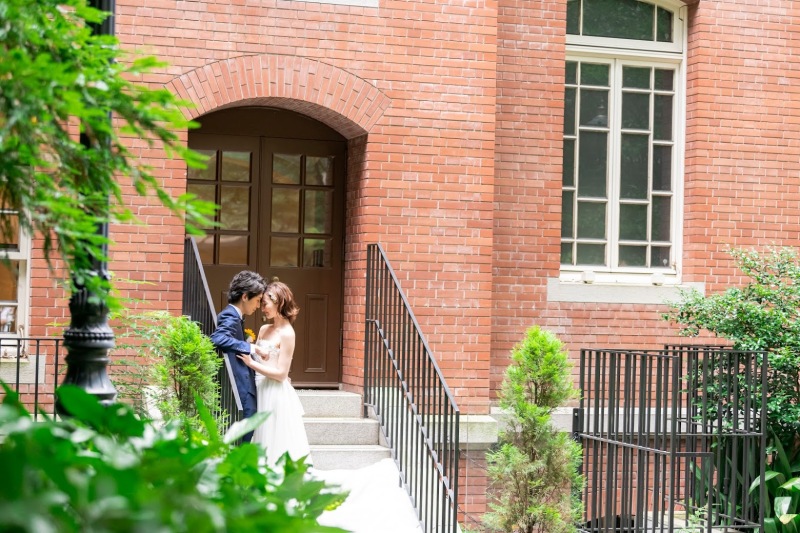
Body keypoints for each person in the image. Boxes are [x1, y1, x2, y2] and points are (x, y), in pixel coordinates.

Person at [237, 281, 311, 466]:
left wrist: (252, 363)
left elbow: (281, 374)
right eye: (261, 304)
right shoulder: (263, 329)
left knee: (275, 438)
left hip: (274, 392)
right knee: (260, 434)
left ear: (278, 302)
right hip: (258, 388)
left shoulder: (288, 333)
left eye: (265, 304)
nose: (262, 308)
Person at [210, 270, 269, 443]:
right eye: (257, 300)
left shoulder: (236, 316)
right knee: (245, 428)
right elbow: (217, 338)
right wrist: (251, 347)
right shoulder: (230, 315)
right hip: (239, 385)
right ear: (245, 296)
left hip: (243, 382)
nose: (258, 306)